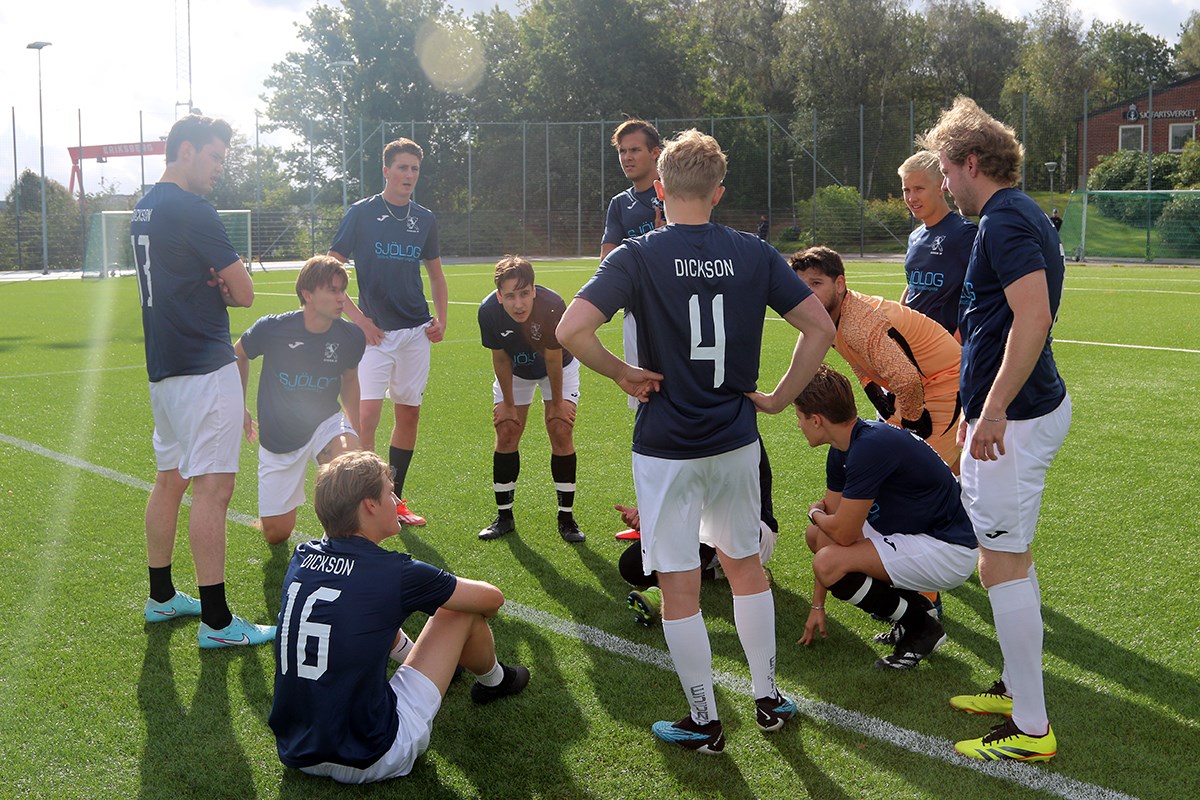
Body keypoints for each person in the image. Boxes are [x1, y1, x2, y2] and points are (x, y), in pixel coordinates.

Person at [558, 129, 835, 755]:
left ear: (659, 189)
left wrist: (621, 372)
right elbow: (818, 327)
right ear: (718, 192)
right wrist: (782, 397)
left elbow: (572, 328)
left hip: (665, 444)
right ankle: (767, 700)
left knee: (679, 583)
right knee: (744, 568)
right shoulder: (754, 252)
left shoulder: (635, 253)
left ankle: (706, 721)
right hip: (735, 438)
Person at [919, 96, 1071, 762]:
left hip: (1018, 419)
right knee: (1009, 557)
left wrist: (993, 410)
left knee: (1000, 564)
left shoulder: (1005, 220)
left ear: (970, 163)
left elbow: (1033, 319)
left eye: (946, 171)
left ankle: (1031, 730)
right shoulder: (1017, 212)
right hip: (1019, 412)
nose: (945, 183)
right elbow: (1001, 324)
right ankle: (1016, 688)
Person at [268, 451, 529, 783]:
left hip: (297, 750)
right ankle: (495, 680)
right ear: (369, 505)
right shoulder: (393, 572)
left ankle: (445, 671)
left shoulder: (302, 557)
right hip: (374, 753)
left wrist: (413, 656)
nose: (397, 499)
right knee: (459, 611)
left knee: (368, 614)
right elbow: (492, 600)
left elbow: (363, 616)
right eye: (389, 492)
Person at [132, 114, 275, 649]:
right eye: (214, 157)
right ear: (186, 151)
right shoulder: (193, 210)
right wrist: (221, 282)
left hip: (163, 370)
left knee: (170, 479)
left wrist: (210, 279)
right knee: (214, 490)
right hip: (202, 366)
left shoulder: (144, 206)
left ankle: (162, 595)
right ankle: (217, 622)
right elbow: (245, 293)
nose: (219, 168)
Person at [793, 365, 977, 669]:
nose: (798, 425)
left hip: (949, 549)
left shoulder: (869, 448)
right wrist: (817, 605)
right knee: (816, 539)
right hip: (921, 535)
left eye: (799, 418)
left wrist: (815, 513)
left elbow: (842, 533)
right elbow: (828, 534)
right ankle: (916, 610)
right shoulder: (846, 446)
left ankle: (921, 625)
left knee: (829, 561)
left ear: (816, 420)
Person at [329, 138, 448, 528]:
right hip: (374, 336)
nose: (409, 175)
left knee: (408, 414)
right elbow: (330, 270)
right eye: (402, 167)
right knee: (366, 420)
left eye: (414, 169)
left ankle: (393, 499)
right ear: (386, 170)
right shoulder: (361, 213)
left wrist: (440, 319)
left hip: (415, 332)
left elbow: (435, 273)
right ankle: (361, 502)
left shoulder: (424, 218)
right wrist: (360, 321)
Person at [790, 245, 963, 473]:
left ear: (839, 284)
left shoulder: (857, 323)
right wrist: (872, 389)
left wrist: (913, 422)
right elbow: (860, 359)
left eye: (816, 283)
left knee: (920, 473)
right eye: (801, 287)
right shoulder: (833, 315)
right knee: (894, 462)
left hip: (944, 382)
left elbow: (907, 379)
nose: (808, 294)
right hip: (918, 384)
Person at [234, 256, 366, 545]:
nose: (341, 298)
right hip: (279, 437)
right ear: (307, 294)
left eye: (343, 290)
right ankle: (277, 518)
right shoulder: (272, 329)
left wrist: (354, 429)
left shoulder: (352, 336)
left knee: (351, 462)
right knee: (276, 535)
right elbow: (238, 354)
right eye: (333, 290)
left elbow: (350, 379)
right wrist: (239, 406)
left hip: (325, 421)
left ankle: (337, 545)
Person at [476, 255, 584, 543]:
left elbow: (553, 358)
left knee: (560, 427)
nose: (519, 303)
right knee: (507, 430)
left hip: (558, 369)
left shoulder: (552, 305)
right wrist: (509, 405)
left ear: (534, 290)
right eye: (510, 296)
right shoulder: (488, 311)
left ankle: (566, 518)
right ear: (500, 296)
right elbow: (499, 359)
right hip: (516, 370)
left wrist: (558, 403)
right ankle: (504, 516)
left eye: (524, 293)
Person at [619, 439, 780, 626]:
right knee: (630, 566)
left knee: (711, 527)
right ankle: (719, 570)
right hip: (699, 526)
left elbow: (713, 503)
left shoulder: (735, 434)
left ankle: (662, 592)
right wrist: (648, 519)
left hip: (754, 531)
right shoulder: (686, 435)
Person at [897, 151, 977, 336]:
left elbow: (982, 293)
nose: (911, 198)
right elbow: (912, 286)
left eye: (919, 189)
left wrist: (958, 341)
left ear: (941, 187)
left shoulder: (964, 234)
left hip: (944, 348)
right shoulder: (915, 237)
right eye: (906, 190)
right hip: (913, 343)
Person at [600, 119, 665, 260]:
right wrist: (651, 242)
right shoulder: (619, 204)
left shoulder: (675, 194)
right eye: (622, 151)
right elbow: (607, 259)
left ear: (654, 153)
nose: (627, 157)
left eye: (635, 150)